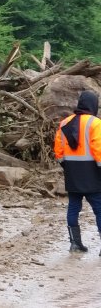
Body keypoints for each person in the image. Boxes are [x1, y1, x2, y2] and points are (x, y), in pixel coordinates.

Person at [54, 90, 101, 253]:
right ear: (93, 105)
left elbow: (58, 150)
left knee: (73, 207)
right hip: (93, 174)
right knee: (99, 209)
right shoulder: (95, 123)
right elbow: (98, 150)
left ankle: (75, 243)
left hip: (72, 173)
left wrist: (66, 166)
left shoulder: (65, 122)